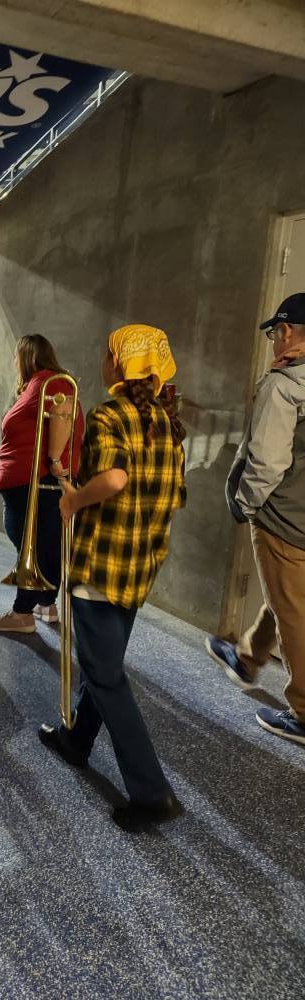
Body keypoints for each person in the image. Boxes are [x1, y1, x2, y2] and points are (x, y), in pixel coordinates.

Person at [39, 324, 186, 832]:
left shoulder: (109, 415)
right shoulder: (168, 423)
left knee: (105, 675)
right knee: (104, 661)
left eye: (108, 354)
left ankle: (151, 793)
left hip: (102, 562)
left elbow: (115, 478)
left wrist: (73, 500)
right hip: (140, 564)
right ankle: (76, 739)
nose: (103, 361)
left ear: (120, 364)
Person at [206, 293, 305, 746]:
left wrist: (245, 505)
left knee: (293, 613)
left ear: (286, 332)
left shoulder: (284, 386)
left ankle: (303, 712)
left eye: (274, 333)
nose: (273, 341)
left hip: (285, 519)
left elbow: (266, 464)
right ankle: (247, 658)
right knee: (287, 596)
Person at [0, 335, 85, 634]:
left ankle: (22, 613)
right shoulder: (39, 384)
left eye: (16, 356)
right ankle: (45, 603)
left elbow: (62, 413)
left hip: (38, 481)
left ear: (27, 356)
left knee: (35, 548)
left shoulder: (52, 382)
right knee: (43, 544)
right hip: (30, 482)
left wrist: (53, 459)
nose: (14, 361)